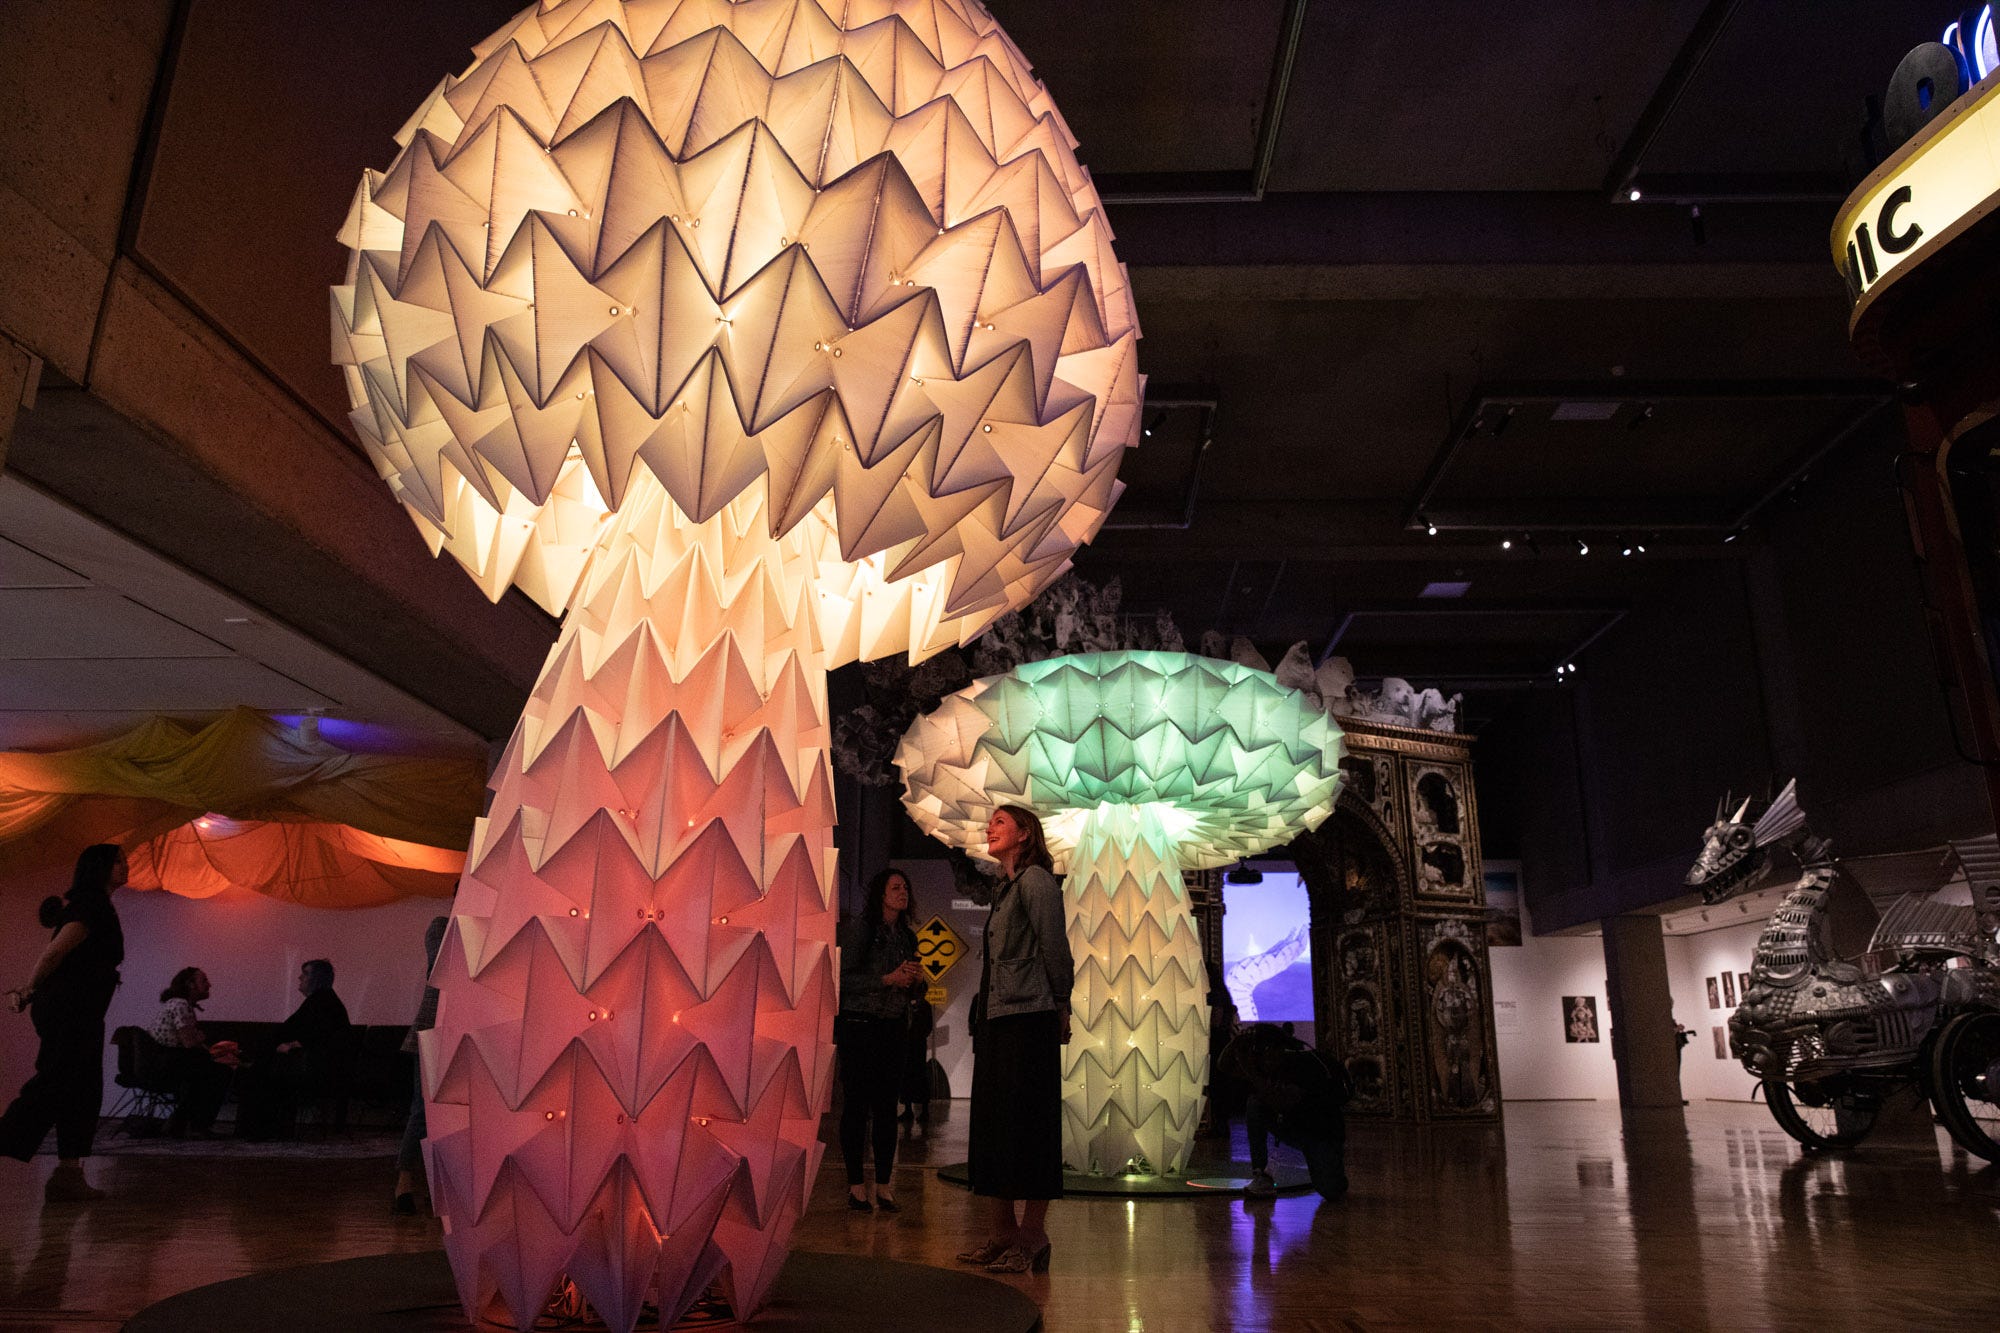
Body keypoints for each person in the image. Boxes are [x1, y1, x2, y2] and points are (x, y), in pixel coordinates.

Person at [956, 805, 1073, 1275]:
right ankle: (1002, 1233)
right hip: (999, 1016)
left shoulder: (1037, 882)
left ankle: (1033, 1236)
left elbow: (1055, 946)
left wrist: (1061, 1004)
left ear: (1025, 834)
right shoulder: (1004, 889)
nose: (990, 827)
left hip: (1030, 1017)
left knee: (1030, 1125)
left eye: (1000, 822)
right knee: (995, 1125)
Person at [1, 844, 127, 1202]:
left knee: (82, 1090)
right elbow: (55, 951)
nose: (126, 866)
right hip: (68, 1010)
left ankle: (68, 1176)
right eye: (119, 861)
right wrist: (28, 989)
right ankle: (10, 1140)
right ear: (100, 867)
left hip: (83, 1012)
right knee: (55, 1083)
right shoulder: (90, 904)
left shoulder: (98, 905)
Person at [837, 869, 924, 1211]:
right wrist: (888, 978)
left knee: (888, 1107)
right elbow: (842, 979)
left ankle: (885, 1186)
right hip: (860, 1026)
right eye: (896, 887)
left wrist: (916, 981)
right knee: (857, 1105)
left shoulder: (907, 937)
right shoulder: (862, 929)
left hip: (893, 1027)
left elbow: (913, 989)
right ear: (881, 894)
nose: (903, 893)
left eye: (906, 887)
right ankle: (856, 1186)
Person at [1222, 1024, 1349, 1202]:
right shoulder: (1267, 1064)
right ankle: (1261, 1175)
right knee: (1255, 1104)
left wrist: (1249, 1069)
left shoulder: (1303, 1066)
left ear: (1277, 1049)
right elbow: (1223, 1065)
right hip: (1295, 1126)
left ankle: (1333, 1164)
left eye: (1264, 1052)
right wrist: (1236, 1042)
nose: (1263, 1060)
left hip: (1320, 1132)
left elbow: (1281, 1101)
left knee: (1331, 1190)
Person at [236, 958, 351, 1140]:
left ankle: (260, 1130)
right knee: (262, 1067)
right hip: (324, 1067)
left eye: (305, 974)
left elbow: (306, 1034)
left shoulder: (320, 1002)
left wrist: (288, 1045)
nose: (300, 978)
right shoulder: (324, 1001)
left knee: (258, 1073)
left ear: (317, 979)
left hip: (316, 1069)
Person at [393, 915, 449, 1215]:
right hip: (432, 1029)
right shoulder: (441, 925)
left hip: (460, 1030)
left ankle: (435, 1184)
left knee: (450, 1112)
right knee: (423, 1111)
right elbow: (440, 969)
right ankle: (405, 1181)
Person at [149, 967, 235, 1136]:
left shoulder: (176, 1003)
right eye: (204, 980)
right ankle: (198, 1126)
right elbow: (189, 1043)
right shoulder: (181, 1004)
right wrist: (201, 1038)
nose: (209, 984)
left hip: (165, 1060)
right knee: (220, 1072)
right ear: (190, 984)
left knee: (206, 1067)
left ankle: (180, 1121)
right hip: (167, 1063)